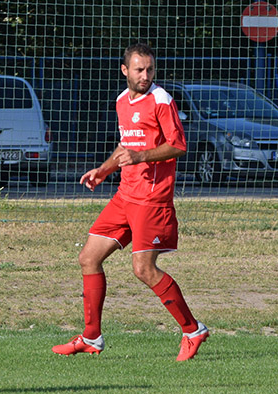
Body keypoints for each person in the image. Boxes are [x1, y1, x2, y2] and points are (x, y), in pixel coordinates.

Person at [52, 43, 209, 361]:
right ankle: (91, 337)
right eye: (139, 69)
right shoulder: (122, 100)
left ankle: (192, 330)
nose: (145, 75)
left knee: (143, 269)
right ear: (125, 70)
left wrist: (141, 156)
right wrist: (103, 170)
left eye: (150, 69)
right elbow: (126, 145)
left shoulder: (161, 100)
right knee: (88, 258)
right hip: (125, 195)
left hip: (151, 198)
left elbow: (178, 145)